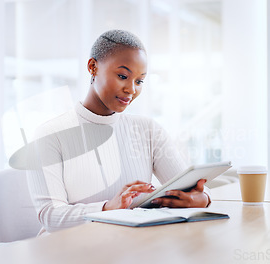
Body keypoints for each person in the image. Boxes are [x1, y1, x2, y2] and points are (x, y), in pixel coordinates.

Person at [27, 29, 211, 235]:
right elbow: (50, 217)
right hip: (70, 250)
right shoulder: (50, 135)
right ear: (93, 67)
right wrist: (107, 208)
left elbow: (192, 186)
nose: (131, 89)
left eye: (139, 81)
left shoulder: (148, 130)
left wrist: (200, 199)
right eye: (123, 76)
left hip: (129, 246)